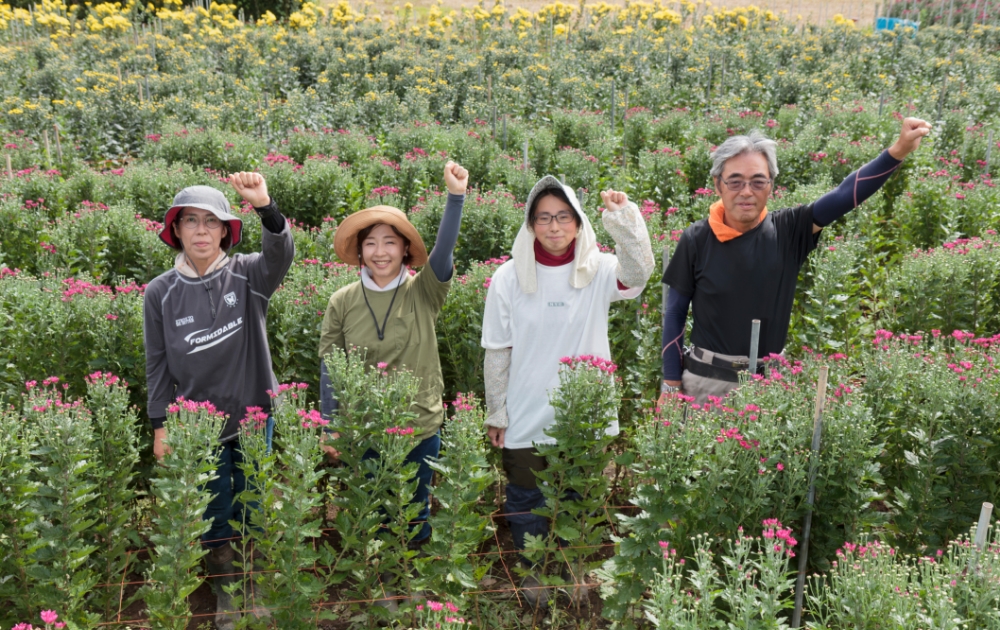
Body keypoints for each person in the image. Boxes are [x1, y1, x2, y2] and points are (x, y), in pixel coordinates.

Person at [660, 118, 932, 403]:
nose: (746, 192)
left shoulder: (788, 231)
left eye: (758, 181)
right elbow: (676, 313)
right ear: (718, 185)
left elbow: (844, 195)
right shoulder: (697, 239)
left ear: (771, 186)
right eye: (735, 181)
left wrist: (897, 151)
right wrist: (670, 383)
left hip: (768, 387)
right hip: (706, 382)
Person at [480, 175, 655, 608]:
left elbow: (640, 271)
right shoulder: (508, 277)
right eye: (543, 217)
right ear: (530, 223)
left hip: (585, 412)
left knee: (579, 496)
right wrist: (497, 410)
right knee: (524, 496)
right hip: (525, 410)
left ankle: (574, 573)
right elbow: (497, 349)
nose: (554, 226)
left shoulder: (598, 270)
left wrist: (623, 218)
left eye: (563, 216)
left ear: (578, 223)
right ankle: (534, 579)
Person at [144, 174, 294, 630]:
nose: (202, 231)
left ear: (228, 230)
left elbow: (281, 253)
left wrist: (266, 206)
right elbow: (157, 364)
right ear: (177, 231)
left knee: (254, 504)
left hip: (252, 417)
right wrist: (160, 424)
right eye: (191, 221)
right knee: (212, 510)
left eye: (212, 221)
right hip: (197, 427)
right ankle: (228, 593)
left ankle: (255, 588)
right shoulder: (160, 293)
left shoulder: (248, 275)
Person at [317, 161, 468, 578]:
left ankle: (409, 578)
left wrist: (455, 198)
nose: (380, 252)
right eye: (370, 243)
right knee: (372, 506)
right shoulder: (342, 300)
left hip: (418, 424)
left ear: (405, 249)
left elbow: (444, 251)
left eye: (390, 242)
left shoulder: (424, 290)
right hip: (364, 427)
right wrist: (331, 424)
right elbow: (330, 366)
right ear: (360, 252)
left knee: (414, 506)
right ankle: (379, 578)